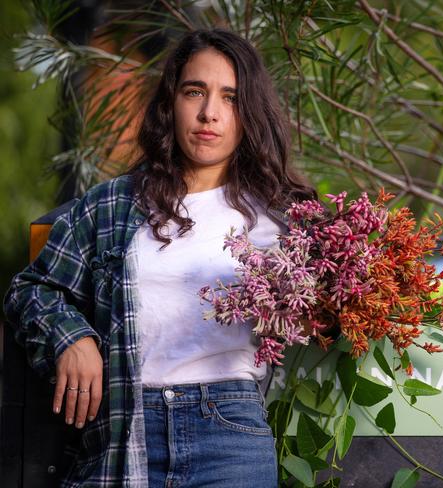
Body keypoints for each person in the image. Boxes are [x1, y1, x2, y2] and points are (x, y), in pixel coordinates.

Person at [3, 28, 317, 487]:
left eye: (230, 98)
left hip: (228, 433)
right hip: (121, 430)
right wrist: (72, 338)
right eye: (195, 92)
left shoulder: (282, 219)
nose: (209, 113)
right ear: (171, 101)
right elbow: (31, 289)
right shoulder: (112, 205)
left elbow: (338, 307)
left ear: (250, 112)